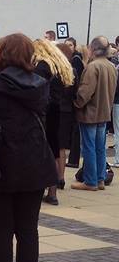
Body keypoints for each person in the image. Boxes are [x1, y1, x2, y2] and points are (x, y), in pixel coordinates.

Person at [0, 33, 58, 262]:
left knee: (0, 233)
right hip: (34, 164)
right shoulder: (41, 85)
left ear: (1, 54)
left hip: (0, 166)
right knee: (28, 232)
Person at [72, 36, 119, 191]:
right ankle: (99, 179)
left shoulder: (93, 67)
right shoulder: (111, 66)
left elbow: (85, 92)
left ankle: (90, 181)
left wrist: (76, 104)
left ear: (93, 48)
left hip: (90, 113)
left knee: (89, 148)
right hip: (104, 112)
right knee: (100, 148)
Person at [33, 40, 74, 205]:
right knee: (55, 149)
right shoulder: (60, 66)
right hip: (58, 110)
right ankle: (53, 191)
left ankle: (46, 188)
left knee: (45, 149)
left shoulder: (43, 66)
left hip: (46, 111)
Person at [57, 43, 80, 182]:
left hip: (55, 110)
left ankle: (54, 178)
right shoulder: (72, 71)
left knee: (52, 146)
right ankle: (61, 177)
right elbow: (75, 92)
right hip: (67, 111)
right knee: (62, 147)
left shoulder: (54, 70)